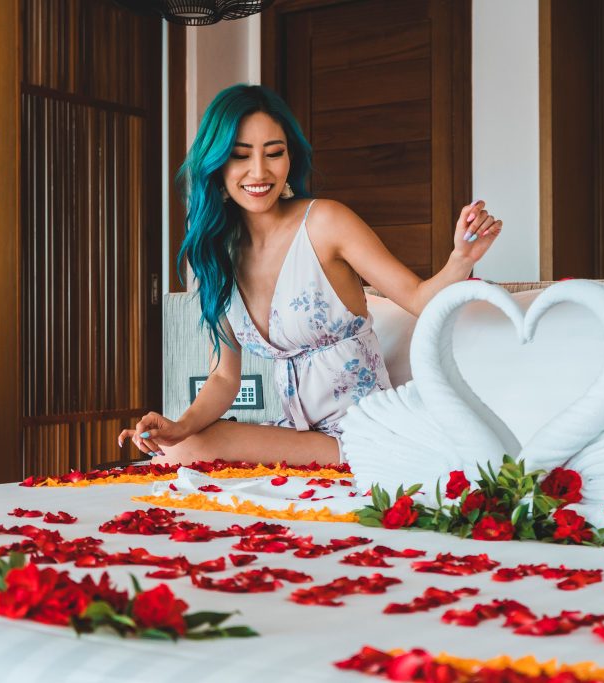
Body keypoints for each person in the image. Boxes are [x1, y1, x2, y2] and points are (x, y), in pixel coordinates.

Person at [119, 84, 503, 465]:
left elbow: (418, 298)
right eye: (240, 156)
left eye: (274, 153)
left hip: (366, 432)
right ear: (217, 165)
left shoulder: (325, 223)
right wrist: (179, 425)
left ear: (290, 159)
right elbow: (222, 379)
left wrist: (460, 258)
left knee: (186, 453)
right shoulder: (219, 255)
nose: (259, 171)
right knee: (178, 447)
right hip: (301, 436)